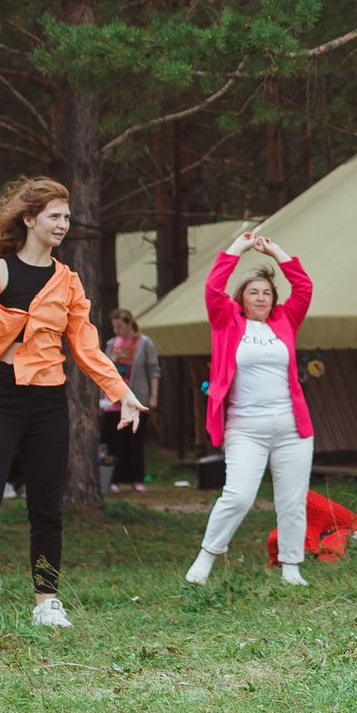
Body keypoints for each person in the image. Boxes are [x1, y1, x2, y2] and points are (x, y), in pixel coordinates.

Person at [0, 176, 142, 628]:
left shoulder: (68, 283)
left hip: (47, 403)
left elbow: (87, 348)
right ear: (29, 219)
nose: (63, 224)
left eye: (67, 217)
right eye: (54, 216)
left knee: (47, 508)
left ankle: (46, 604)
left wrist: (121, 393)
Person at [188, 232, 316, 587]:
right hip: (245, 428)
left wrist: (276, 252)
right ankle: (206, 557)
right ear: (241, 298)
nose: (261, 298)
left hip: (292, 428)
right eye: (253, 292)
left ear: (274, 299)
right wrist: (237, 248)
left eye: (267, 293)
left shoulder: (285, 320)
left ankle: (291, 566)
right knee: (239, 496)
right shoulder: (225, 320)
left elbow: (303, 288)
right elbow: (213, 287)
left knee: (292, 501)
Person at [101, 307, 160, 490]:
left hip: (136, 398)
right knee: (114, 441)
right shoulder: (111, 344)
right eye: (114, 327)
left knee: (135, 440)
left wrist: (153, 395)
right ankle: (113, 479)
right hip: (113, 400)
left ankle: (137, 479)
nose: (116, 330)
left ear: (129, 324)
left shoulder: (144, 343)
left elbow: (153, 371)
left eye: (119, 326)